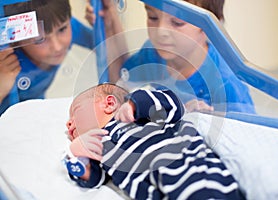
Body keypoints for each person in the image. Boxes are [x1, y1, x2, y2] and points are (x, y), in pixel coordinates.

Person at [63, 83, 244, 199]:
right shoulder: (99, 144)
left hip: (184, 163)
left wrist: (135, 105)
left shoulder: (134, 115)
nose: (68, 122)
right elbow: (93, 179)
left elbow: (173, 105)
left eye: (76, 111)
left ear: (109, 104)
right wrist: (75, 153)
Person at [86, 0, 256, 114]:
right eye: (153, 17)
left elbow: (251, 136)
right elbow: (119, 81)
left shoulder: (225, 82)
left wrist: (212, 119)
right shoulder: (153, 53)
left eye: (177, 23)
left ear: (209, 28)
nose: (160, 32)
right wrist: (110, 20)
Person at [0, 0, 121, 116]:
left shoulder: (57, 23)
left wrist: (107, 23)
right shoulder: (7, 61)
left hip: (38, 108)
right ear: (15, 41)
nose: (57, 47)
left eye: (62, 29)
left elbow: (106, 49)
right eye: (39, 40)